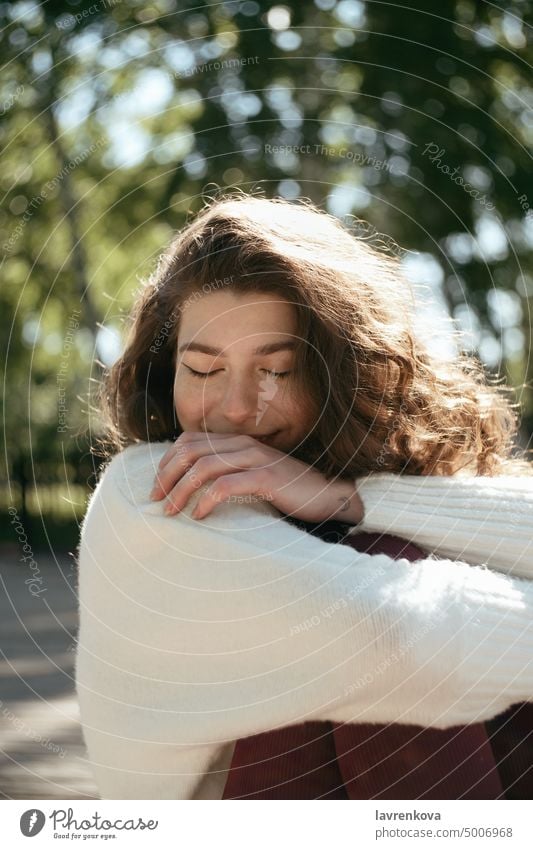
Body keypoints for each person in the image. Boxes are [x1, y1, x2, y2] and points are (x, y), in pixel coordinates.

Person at [76, 193, 533, 799]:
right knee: (390, 570)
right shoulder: (153, 496)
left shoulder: (344, 485)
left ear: (342, 370)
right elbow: (401, 638)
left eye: (278, 370)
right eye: (204, 371)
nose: (237, 409)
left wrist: (352, 500)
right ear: (168, 374)